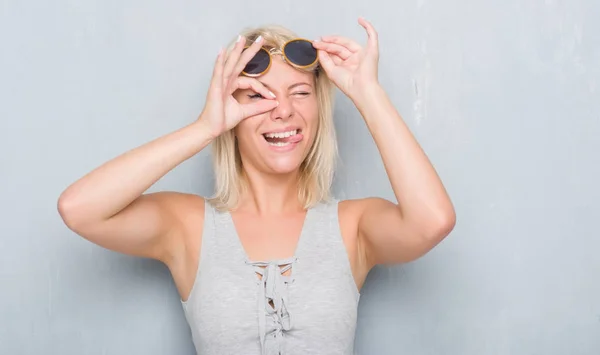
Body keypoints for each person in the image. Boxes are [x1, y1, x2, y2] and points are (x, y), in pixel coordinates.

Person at [57, 17, 455, 355]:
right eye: (259, 97)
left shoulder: (353, 225)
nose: (283, 110)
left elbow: (432, 221)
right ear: (232, 113)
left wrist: (369, 95)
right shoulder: (188, 225)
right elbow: (79, 209)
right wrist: (204, 128)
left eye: (300, 93)